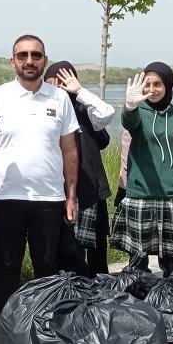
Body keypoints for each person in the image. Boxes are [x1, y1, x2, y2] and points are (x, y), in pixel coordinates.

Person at [0, 35, 79, 321]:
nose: (29, 61)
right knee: (6, 264)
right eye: (23, 55)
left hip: (49, 197)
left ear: (45, 59)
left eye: (36, 55)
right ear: (13, 61)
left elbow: (69, 151)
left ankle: (46, 323)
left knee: (47, 264)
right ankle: (5, 324)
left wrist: (71, 196)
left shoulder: (60, 99)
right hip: (7, 197)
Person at [111, 62, 173, 276]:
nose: (152, 89)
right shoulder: (139, 111)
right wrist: (129, 107)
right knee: (138, 261)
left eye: (157, 84)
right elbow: (129, 123)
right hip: (141, 195)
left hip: (171, 197)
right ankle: (138, 304)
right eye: (147, 84)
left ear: (168, 85)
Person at [43, 61, 115, 275]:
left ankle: (99, 296)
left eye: (64, 83)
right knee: (65, 250)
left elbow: (107, 112)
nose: (59, 88)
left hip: (90, 191)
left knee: (96, 250)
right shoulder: (44, 111)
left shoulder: (85, 110)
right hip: (57, 192)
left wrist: (80, 90)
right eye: (52, 83)